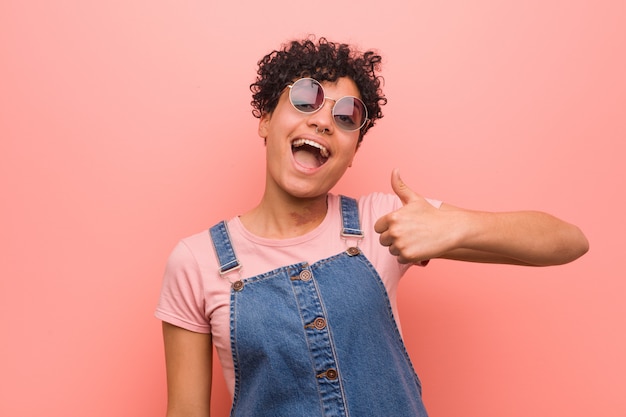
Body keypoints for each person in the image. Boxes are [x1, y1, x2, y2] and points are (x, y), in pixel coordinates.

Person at [155, 37, 589, 417]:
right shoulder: (198, 262)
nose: (324, 120)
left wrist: (456, 226)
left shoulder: (379, 224)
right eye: (305, 99)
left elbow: (569, 241)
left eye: (347, 117)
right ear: (266, 119)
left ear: (351, 153)